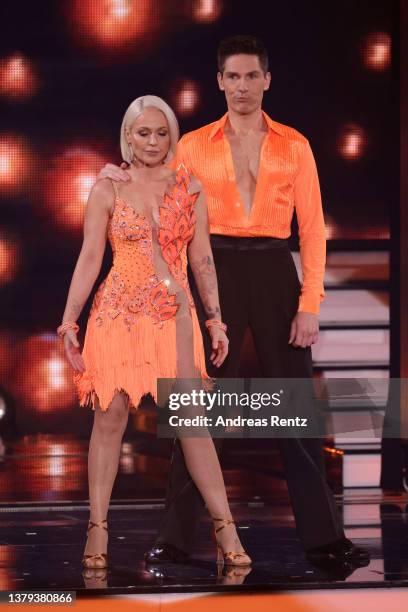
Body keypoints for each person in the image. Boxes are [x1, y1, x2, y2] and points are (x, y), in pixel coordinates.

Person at [98, 36, 369, 566]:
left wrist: (310, 301)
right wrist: (116, 176)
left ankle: (325, 539)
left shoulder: (297, 145)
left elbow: (312, 230)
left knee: (294, 411)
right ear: (219, 81)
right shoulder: (193, 145)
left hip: (274, 266)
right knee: (199, 409)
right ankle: (175, 538)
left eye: (252, 77)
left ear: (267, 80)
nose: (242, 86)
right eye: (233, 77)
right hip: (212, 268)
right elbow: (150, 179)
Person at [58, 94, 252, 570]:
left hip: (173, 317)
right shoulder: (107, 188)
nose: (151, 141)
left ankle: (226, 531)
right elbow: (89, 258)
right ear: (128, 135)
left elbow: (203, 258)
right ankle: (97, 530)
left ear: (172, 137)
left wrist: (215, 318)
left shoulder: (190, 187)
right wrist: (69, 319)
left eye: (160, 132)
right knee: (110, 419)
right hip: (117, 316)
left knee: (191, 424)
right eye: (142, 132)